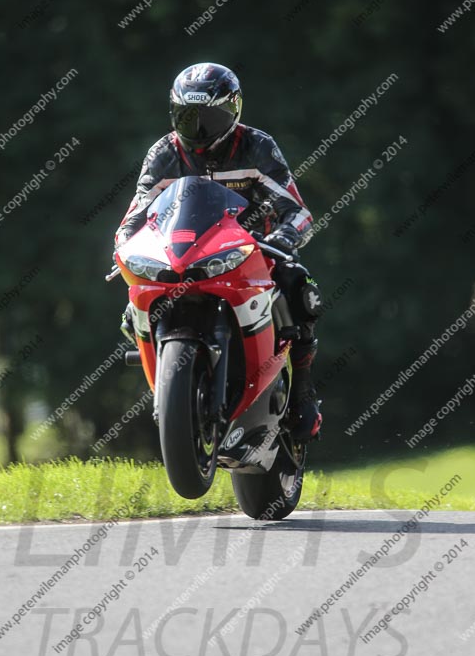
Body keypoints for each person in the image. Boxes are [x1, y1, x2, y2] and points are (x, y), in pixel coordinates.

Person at [115, 62, 322, 441]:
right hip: (180, 257)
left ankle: (303, 391)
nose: (198, 127)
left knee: (299, 284)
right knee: (131, 312)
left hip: (247, 256)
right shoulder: (164, 153)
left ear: (234, 109)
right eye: (188, 116)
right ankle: (172, 380)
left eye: (209, 116)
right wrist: (124, 246)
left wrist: (285, 238)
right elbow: (135, 214)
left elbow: (298, 211)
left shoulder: (257, 146)